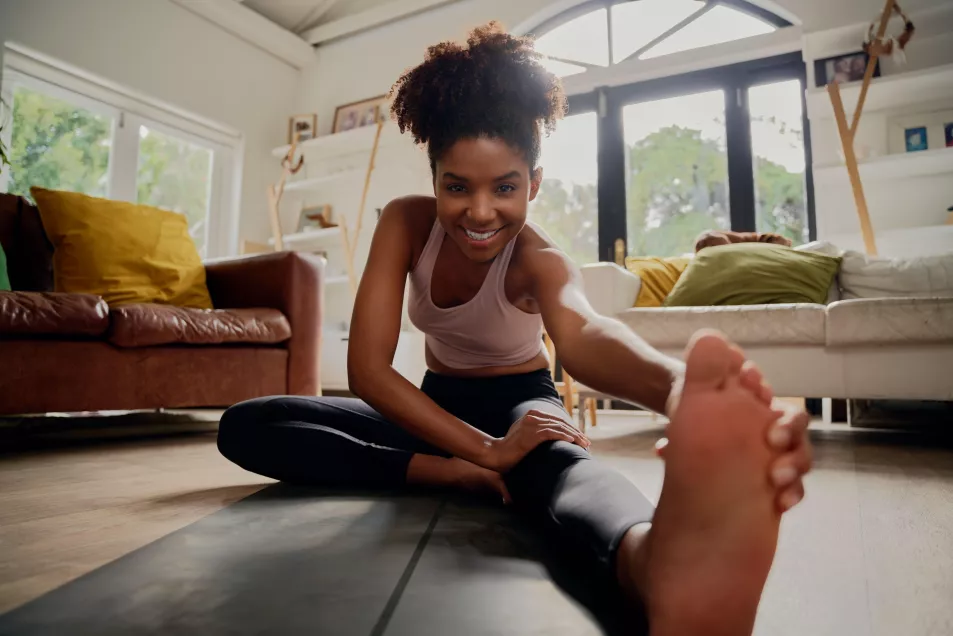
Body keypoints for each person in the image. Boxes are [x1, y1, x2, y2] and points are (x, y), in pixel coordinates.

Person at [218, 23, 812, 635]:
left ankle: (655, 565)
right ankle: (451, 475)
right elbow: (367, 370)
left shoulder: (540, 260)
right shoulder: (403, 223)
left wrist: (679, 388)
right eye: (457, 187)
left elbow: (584, 335)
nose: (479, 212)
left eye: (504, 187)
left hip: (519, 406)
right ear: (435, 181)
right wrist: (472, 456)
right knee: (249, 423)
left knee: (560, 469)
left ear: (533, 182)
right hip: (433, 410)